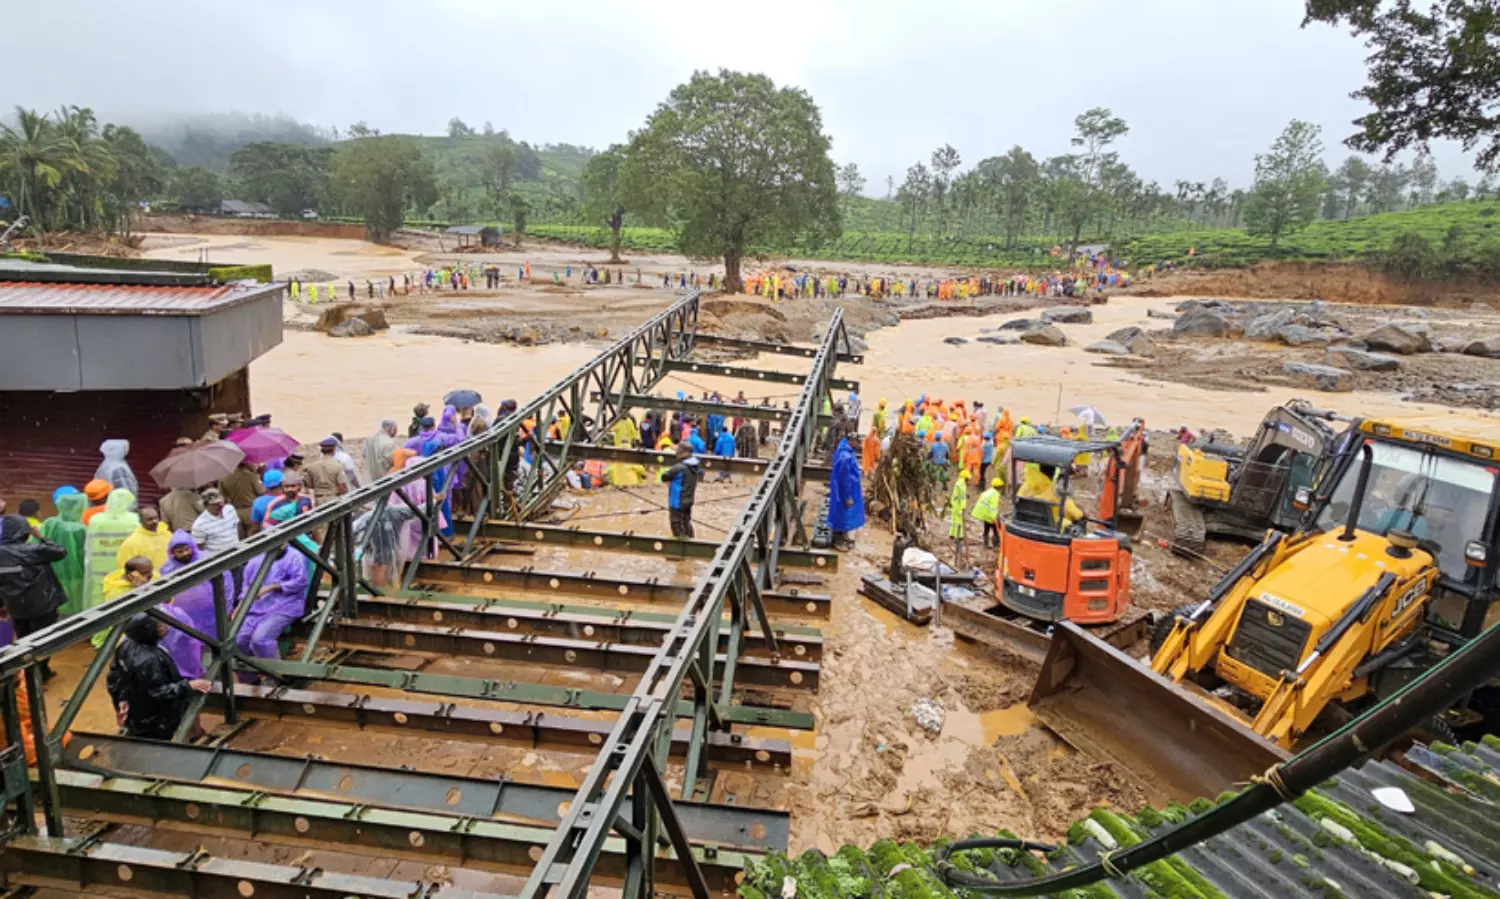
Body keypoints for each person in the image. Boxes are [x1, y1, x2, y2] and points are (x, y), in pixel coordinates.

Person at [106, 612, 210, 740]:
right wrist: (188, 685)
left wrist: (121, 698)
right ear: (147, 631)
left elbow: (116, 675)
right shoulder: (149, 660)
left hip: (137, 709)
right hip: (155, 718)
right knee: (155, 739)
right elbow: (156, 691)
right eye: (159, 625)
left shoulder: (126, 646)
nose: (165, 626)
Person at [0, 515, 69, 680]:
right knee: (44, 640)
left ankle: (27, 674)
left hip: (15, 605)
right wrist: (41, 537)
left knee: (23, 640)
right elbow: (61, 551)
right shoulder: (34, 550)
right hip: (42, 604)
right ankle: (41, 673)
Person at [237, 544, 310, 663]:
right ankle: (249, 674)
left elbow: (300, 582)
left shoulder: (295, 557)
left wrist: (273, 587)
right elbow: (247, 585)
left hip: (285, 606)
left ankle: (273, 674)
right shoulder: (256, 558)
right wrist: (240, 606)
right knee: (239, 640)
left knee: (260, 639)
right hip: (257, 607)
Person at [84, 489, 139, 628]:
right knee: (123, 599)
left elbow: (88, 545)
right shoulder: (134, 520)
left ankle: (99, 630)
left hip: (98, 569)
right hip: (123, 568)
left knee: (99, 599)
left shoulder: (95, 520)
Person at [40, 491, 88, 617]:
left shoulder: (49, 523)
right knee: (75, 606)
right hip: (78, 574)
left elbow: (36, 544)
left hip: (51, 573)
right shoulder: (81, 529)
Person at [1018, 464, 1085, 531]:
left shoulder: (1024, 487)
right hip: (1050, 529)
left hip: (1025, 524)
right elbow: (1075, 514)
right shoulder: (1055, 492)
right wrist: (1081, 514)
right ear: (1054, 474)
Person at [827, 437, 866, 550]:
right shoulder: (845, 457)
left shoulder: (844, 451)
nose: (859, 444)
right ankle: (837, 540)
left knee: (841, 514)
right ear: (852, 441)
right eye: (858, 442)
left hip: (842, 490)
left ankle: (841, 536)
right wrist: (847, 496)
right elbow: (844, 479)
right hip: (844, 491)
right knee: (841, 515)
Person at [659, 442, 701, 538]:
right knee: (686, 522)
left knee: (676, 525)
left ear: (684, 453)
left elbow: (664, 476)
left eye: (678, 452)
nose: (677, 454)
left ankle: (681, 547)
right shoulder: (695, 465)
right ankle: (691, 542)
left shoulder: (679, 468)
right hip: (688, 500)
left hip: (677, 501)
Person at [218, 459, 265, 539]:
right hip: (251, 510)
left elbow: (222, 497)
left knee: (241, 540)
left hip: (234, 512)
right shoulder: (252, 476)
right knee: (255, 538)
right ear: (246, 463)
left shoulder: (223, 479)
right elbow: (262, 492)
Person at [117, 505, 170, 573]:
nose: (154, 521)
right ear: (141, 521)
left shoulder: (167, 535)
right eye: (149, 519)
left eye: (156, 518)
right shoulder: (131, 543)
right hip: (150, 582)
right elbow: (126, 569)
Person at [191, 489, 240, 556]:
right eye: (215, 504)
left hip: (238, 552)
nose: (220, 505)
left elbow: (237, 527)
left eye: (221, 502)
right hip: (218, 560)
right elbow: (199, 548)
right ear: (206, 505)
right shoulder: (199, 524)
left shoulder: (230, 509)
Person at [304, 438, 351, 506]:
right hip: (333, 498)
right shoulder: (337, 465)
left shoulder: (312, 466)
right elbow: (341, 485)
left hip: (318, 499)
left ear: (321, 451)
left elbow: (310, 485)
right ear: (334, 450)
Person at [364, 419, 400, 483]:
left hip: (372, 479)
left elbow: (364, 455)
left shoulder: (370, 440)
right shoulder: (389, 443)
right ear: (391, 428)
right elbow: (394, 461)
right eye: (396, 429)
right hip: (386, 479)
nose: (396, 431)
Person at [972, 478, 1003, 548]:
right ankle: (996, 543)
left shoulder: (989, 491)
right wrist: (994, 517)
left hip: (983, 513)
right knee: (996, 529)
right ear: (999, 487)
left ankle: (985, 543)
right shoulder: (995, 494)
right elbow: (993, 507)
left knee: (987, 528)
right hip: (989, 513)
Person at [949, 471, 970, 563]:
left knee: (953, 520)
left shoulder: (958, 483)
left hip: (954, 505)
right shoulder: (962, 485)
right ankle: (959, 535)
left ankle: (952, 534)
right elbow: (962, 498)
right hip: (958, 506)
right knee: (958, 522)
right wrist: (962, 507)